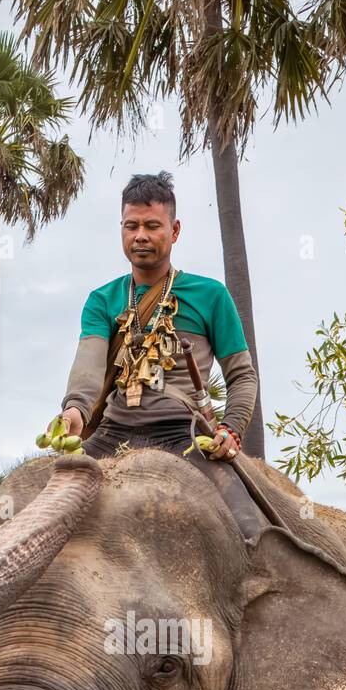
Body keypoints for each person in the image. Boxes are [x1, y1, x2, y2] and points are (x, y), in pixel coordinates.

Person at [51, 171, 264, 536]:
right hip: (112, 434)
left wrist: (230, 428)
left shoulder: (210, 295)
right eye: (131, 226)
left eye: (152, 225)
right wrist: (74, 410)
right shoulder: (102, 300)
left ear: (175, 230)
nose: (140, 236)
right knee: (46, 510)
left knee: (249, 528)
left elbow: (242, 375)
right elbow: (88, 364)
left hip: (184, 433)